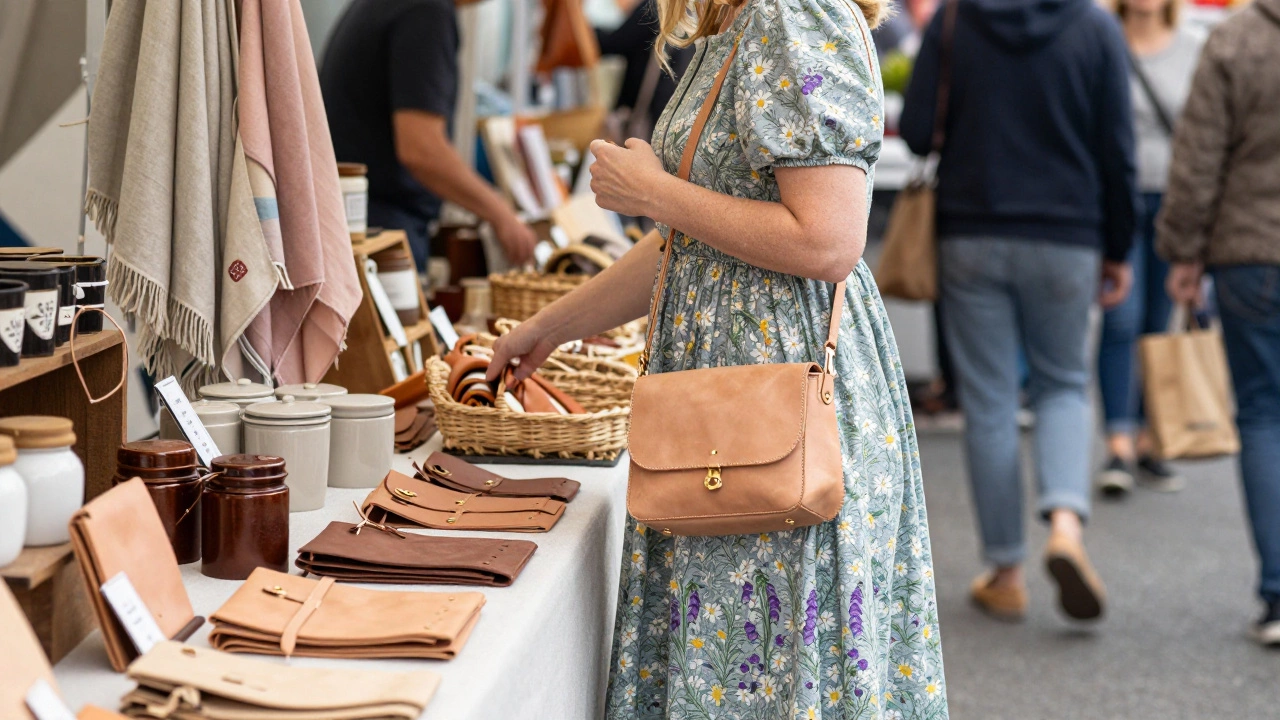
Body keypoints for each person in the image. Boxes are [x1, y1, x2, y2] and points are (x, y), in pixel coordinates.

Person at [488, 0, 950, 714]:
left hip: (773, 399)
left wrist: (656, 192)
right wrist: (547, 328)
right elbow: (697, 243)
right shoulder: (740, 18)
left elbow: (828, 241)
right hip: (738, 394)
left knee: (763, 665)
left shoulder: (793, 14)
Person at [900, 0, 1137, 622]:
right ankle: (1065, 524)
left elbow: (920, 127)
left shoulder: (955, 18)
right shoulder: (1095, 26)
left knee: (989, 399)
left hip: (970, 229)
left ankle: (1005, 569)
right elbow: (1118, 148)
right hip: (1068, 235)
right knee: (1063, 384)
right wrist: (1117, 247)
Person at [1158, 0, 1280, 646]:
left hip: (1251, 253)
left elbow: (1200, 155)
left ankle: (1278, 595)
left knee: (1263, 414)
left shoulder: (1235, 40)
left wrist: (1183, 250)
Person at [319, 0, 536, 269]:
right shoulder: (426, 10)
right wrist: (501, 214)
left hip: (353, 220)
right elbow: (421, 149)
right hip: (378, 229)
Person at [1095, 0, 1202, 497]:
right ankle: (1118, 442)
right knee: (1120, 317)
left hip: (1175, 202)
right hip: (1115, 198)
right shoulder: (1101, 36)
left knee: (1158, 323)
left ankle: (1145, 436)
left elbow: (1205, 135)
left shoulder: (1195, 49)